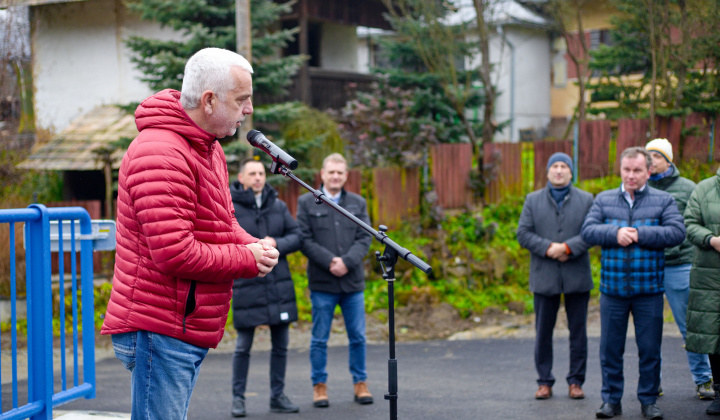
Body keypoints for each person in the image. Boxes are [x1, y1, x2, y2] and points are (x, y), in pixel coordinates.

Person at [100, 48, 280, 420]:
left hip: (178, 324)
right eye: (242, 99)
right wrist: (247, 260)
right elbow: (174, 253)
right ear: (209, 100)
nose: (249, 110)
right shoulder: (162, 153)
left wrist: (251, 244)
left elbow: (221, 224)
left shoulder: (204, 147)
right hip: (159, 328)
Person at [581, 147, 685, 420]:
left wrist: (640, 233)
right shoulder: (603, 199)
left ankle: (649, 401)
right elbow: (588, 230)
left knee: (650, 350)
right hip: (612, 291)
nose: (631, 175)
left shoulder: (663, 200)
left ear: (648, 172)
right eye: (626, 170)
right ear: (621, 170)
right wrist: (614, 232)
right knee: (610, 350)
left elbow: (677, 232)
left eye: (637, 170)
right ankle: (611, 401)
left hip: (649, 291)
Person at [296, 153, 373, 408]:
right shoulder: (307, 202)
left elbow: (365, 238)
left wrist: (347, 262)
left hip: (352, 284)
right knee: (319, 339)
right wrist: (331, 261)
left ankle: (360, 383)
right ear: (322, 173)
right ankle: (319, 386)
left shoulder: (358, 203)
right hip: (322, 284)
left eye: (340, 172)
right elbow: (304, 240)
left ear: (346, 175)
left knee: (358, 337)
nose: (336, 176)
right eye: (331, 172)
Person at [517, 152, 594, 401]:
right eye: (555, 166)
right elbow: (524, 233)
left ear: (571, 172)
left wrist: (568, 248)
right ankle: (544, 381)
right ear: (548, 171)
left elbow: (591, 232)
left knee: (579, 332)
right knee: (543, 332)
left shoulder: (586, 199)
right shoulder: (532, 199)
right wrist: (550, 248)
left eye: (564, 166)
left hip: (577, 275)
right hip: (545, 276)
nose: (559, 170)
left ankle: (576, 381)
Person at [228, 157, 302, 417]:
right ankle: (238, 399)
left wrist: (276, 242)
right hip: (247, 285)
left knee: (281, 345)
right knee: (242, 346)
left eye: (261, 173)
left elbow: (297, 236)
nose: (258, 177)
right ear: (242, 178)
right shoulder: (230, 208)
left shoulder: (278, 205)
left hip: (278, 285)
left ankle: (277, 396)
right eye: (252, 173)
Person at [646, 138, 713, 399]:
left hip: (680, 265)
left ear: (668, 160)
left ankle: (703, 379)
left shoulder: (688, 188)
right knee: (649, 328)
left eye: (656, 156)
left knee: (690, 325)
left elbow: (697, 222)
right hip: (648, 266)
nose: (651, 161)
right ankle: (653, 383)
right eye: (647, 155)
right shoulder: (640, 187)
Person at [684, 167, 720, 416]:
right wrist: (711, 239)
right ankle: (719, 392)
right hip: (709, 276)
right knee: (713, 335)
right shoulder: (704, 188)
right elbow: (690, 223)